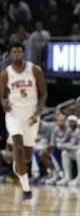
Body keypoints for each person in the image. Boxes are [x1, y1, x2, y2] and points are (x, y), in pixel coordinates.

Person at [0, 42, 47, 200]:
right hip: (14, 114)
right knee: (18, 147)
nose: (17, 54)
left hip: (32, 114)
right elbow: (2, 95)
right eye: (14, 51)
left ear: (24, 53)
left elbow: (43, 94)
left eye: (20, 51)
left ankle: (18, 166)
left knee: (26, 157)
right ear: (9, 55)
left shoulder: (35, 70)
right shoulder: (5, 74)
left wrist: (37, 113)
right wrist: (4, 103)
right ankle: (26, 189)